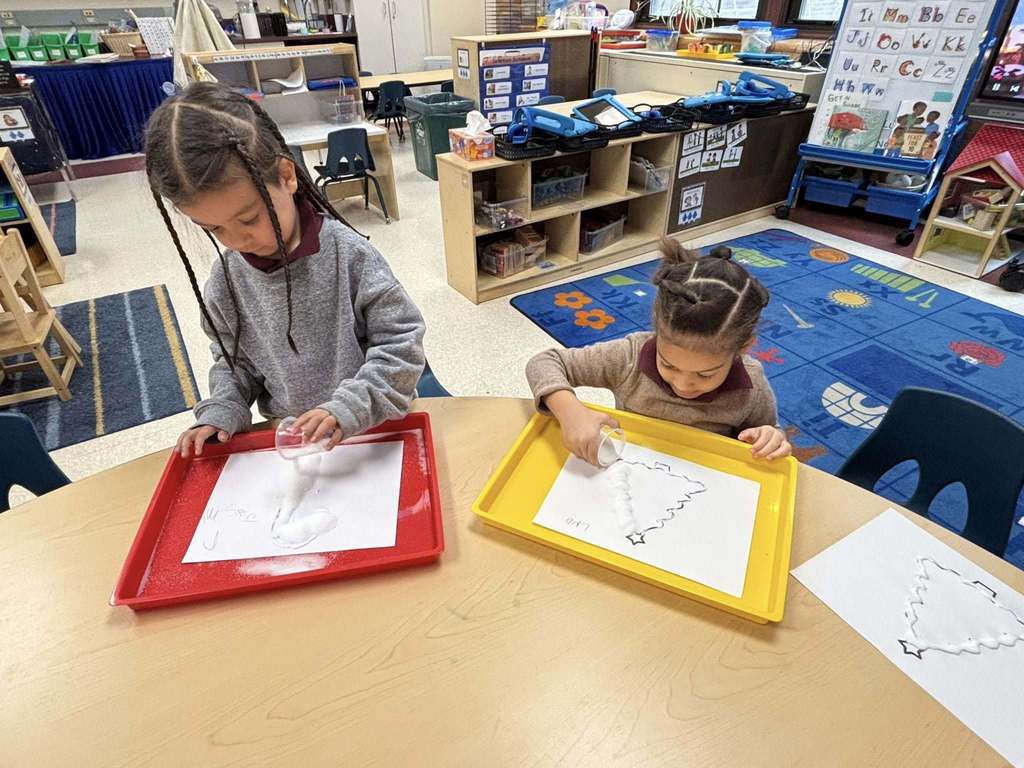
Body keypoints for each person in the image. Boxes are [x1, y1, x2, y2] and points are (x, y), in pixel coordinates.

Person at [144, 82, 425, 457]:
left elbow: (401, 346)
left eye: (248, 218)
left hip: (375, 431)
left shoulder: (350, 256)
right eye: (213, 229)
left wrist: (347, 408)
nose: (237, 240)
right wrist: (222, 409)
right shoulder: (226, 282)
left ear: (287, 176)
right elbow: (235, 363)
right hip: (293, 442)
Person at [526, 240, 792, 466]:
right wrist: (570, 411)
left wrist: (770, 437)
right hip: (628, 468)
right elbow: (545, 362)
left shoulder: (752, 387)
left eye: (705, 374)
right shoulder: (629, 356)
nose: (683, 384)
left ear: (742, 348)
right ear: (657, 332)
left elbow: (768, 432)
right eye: (669, 365)